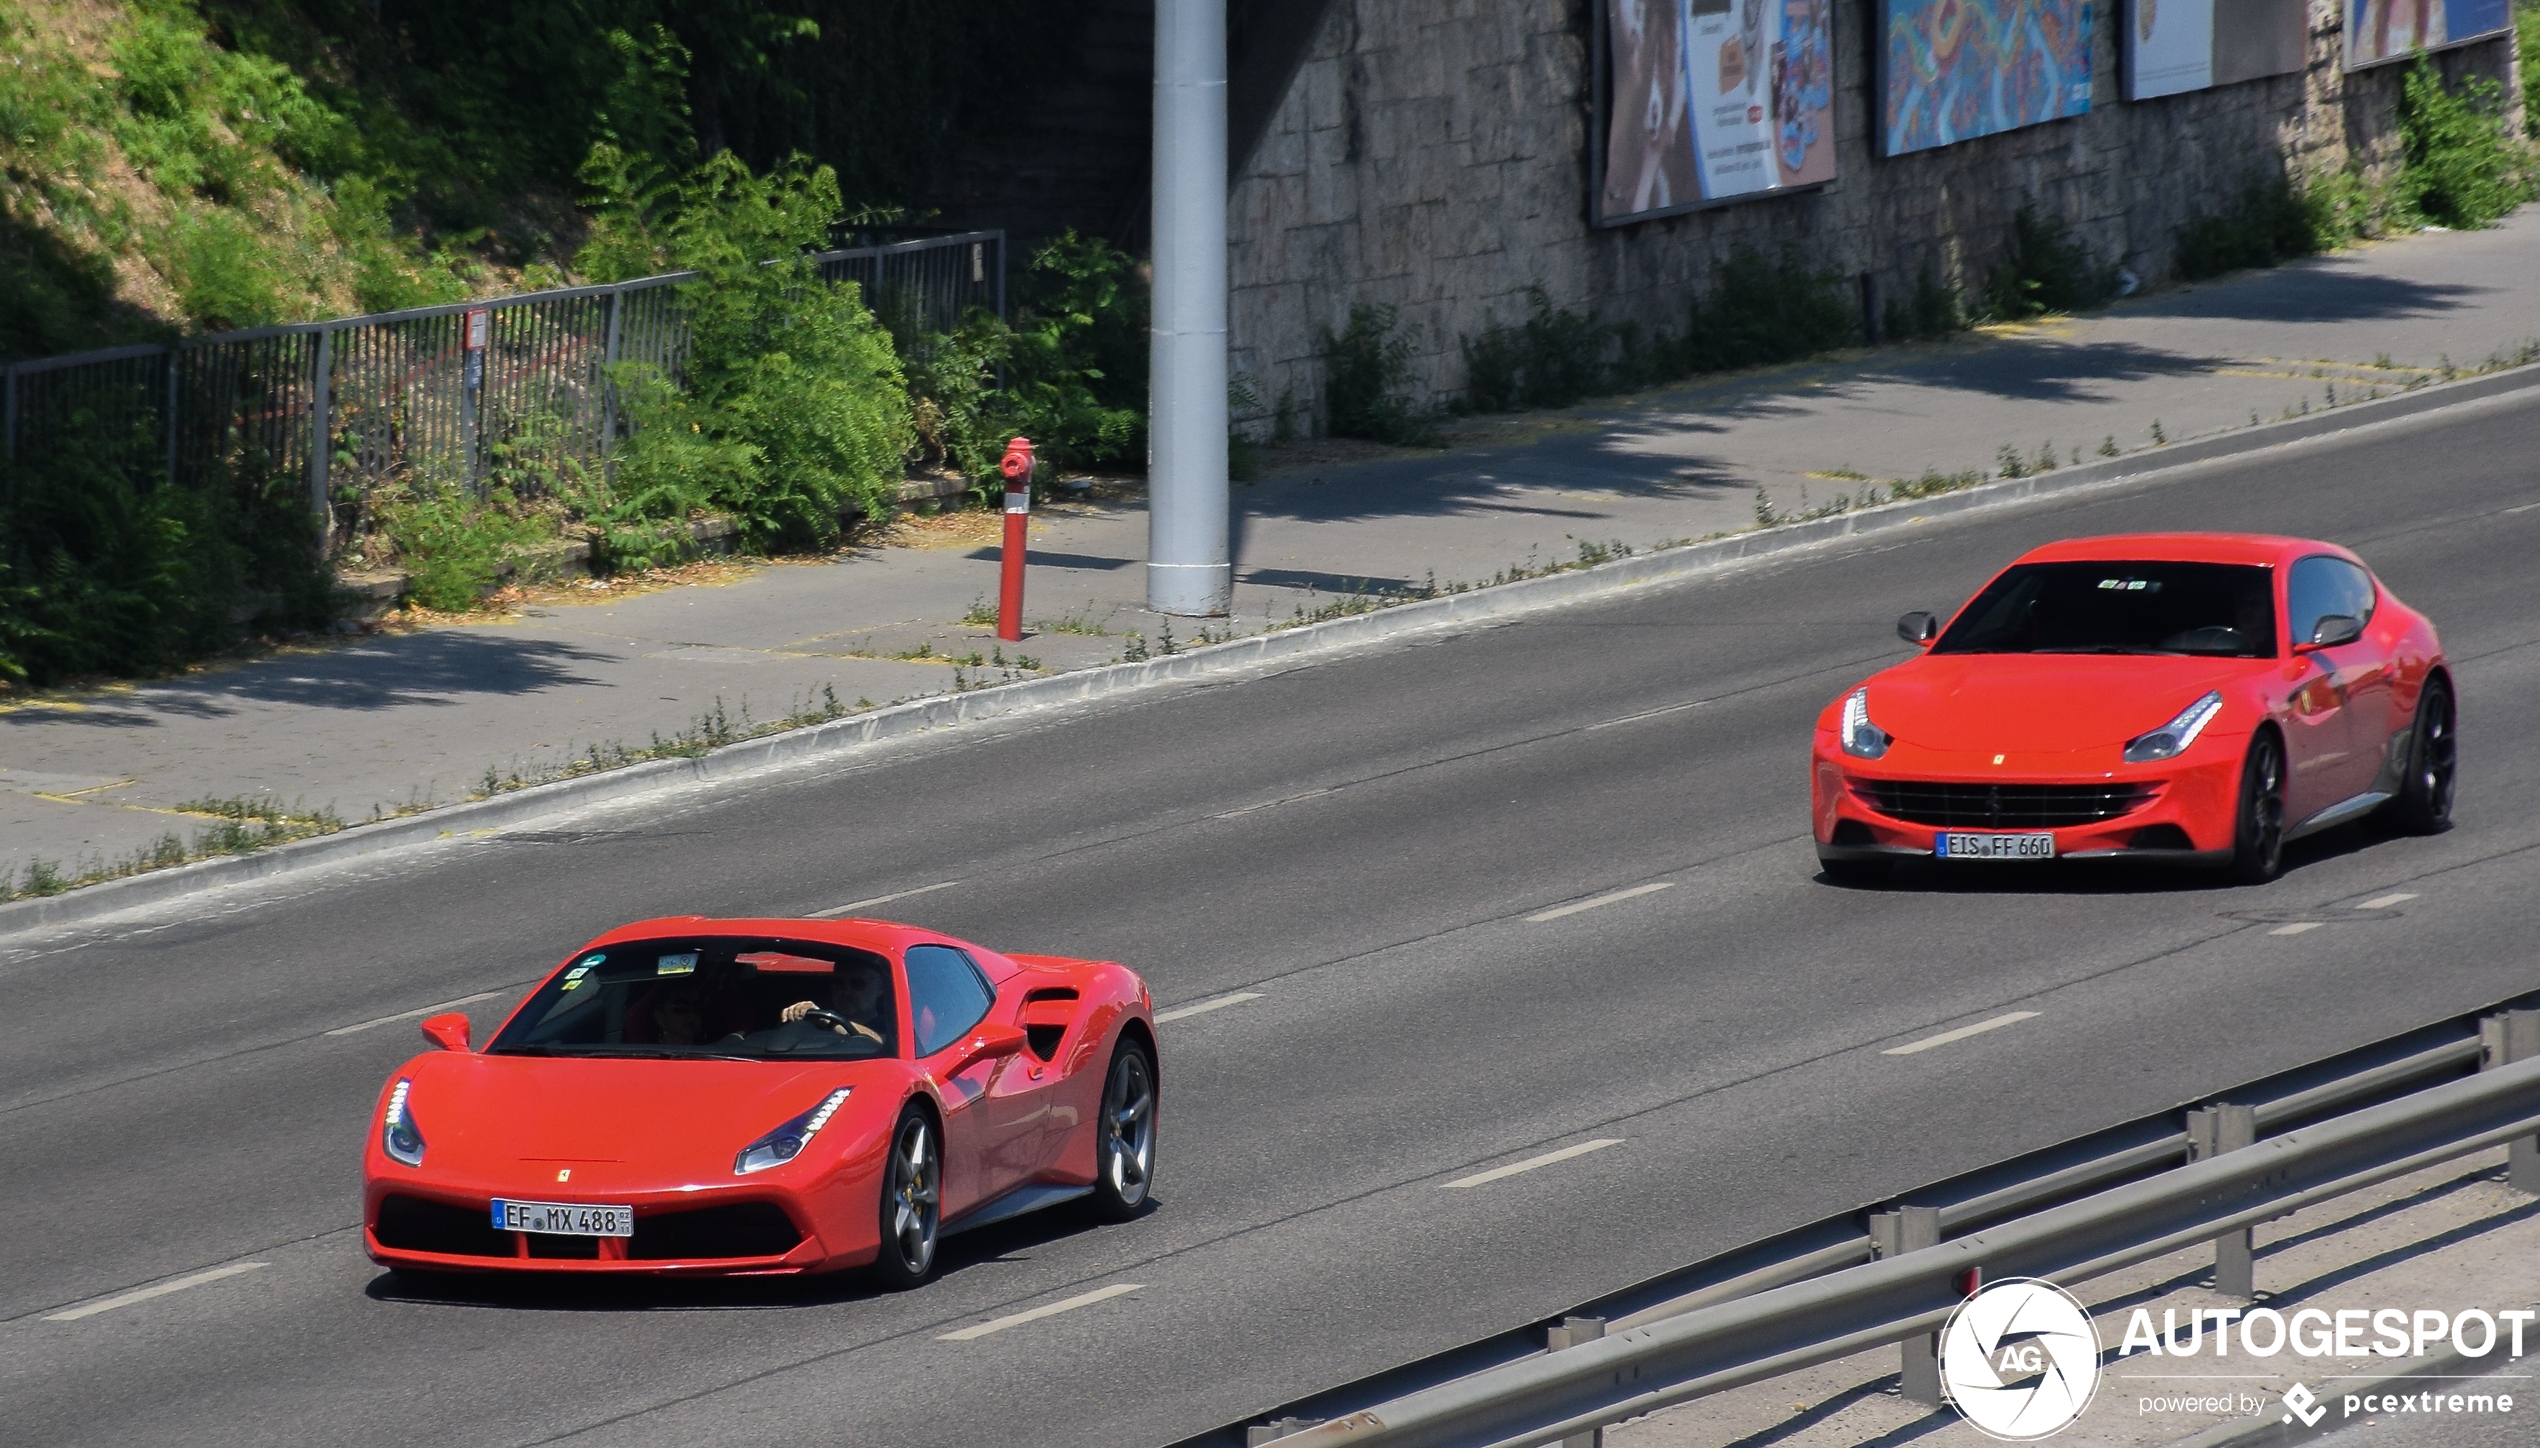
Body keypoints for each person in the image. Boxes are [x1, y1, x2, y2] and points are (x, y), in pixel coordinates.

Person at [778, 961, 888, 1045]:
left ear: (880, 989)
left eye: (857, 983)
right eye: (839, 983)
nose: (846, 991)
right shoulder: (815, 1022)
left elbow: (882, 1043)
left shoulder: (891, 1025)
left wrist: (828, 1020)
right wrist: (797, 1013)